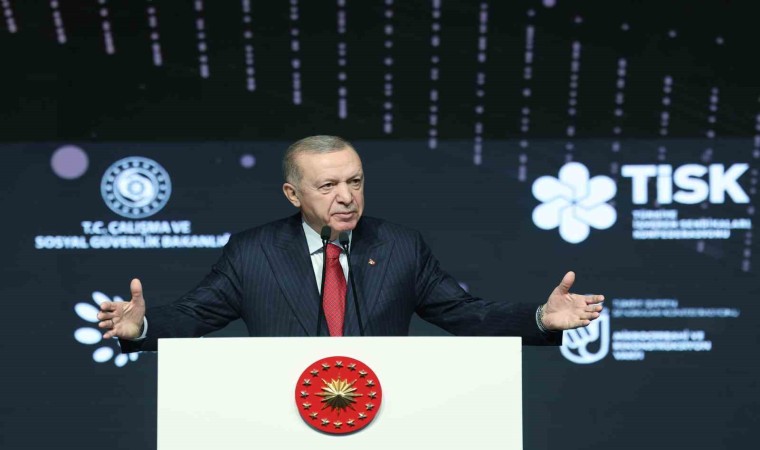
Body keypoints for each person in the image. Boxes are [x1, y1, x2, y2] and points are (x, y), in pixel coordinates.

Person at [98, 135, 604, 351]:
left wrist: (541, 318)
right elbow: (195, 315)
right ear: (293, 194)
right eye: (328, 186)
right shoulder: (253, 252)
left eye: (355, 182)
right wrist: (141, 327)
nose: (346, 197)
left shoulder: (399, 246)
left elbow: (466, 314)